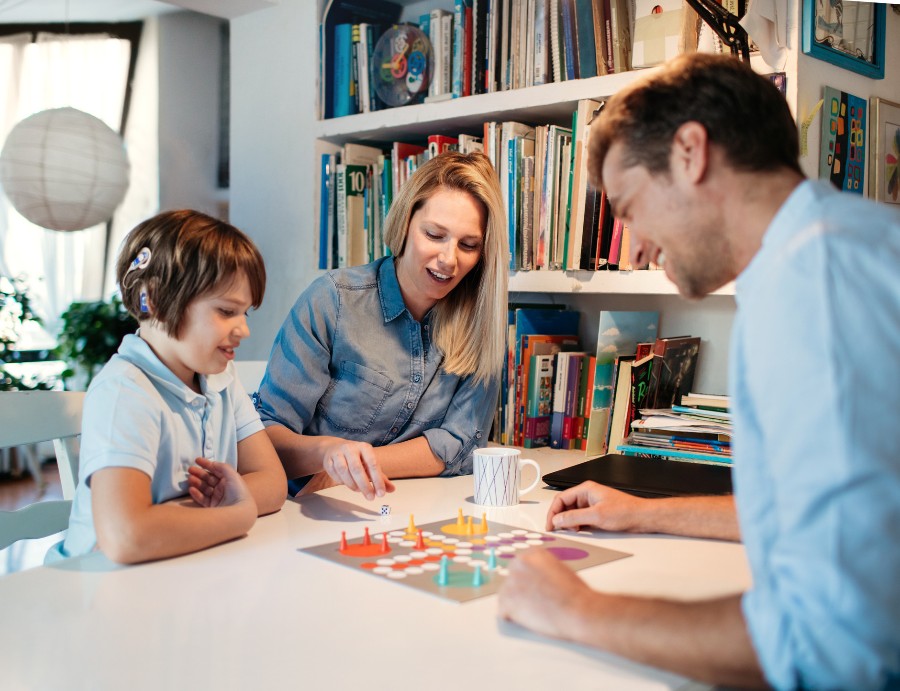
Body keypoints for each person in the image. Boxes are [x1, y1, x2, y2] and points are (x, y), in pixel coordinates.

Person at [497, 53, 900, 690]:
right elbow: (834, 518)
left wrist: (578, 609)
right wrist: (642, 512)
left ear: (690, 152)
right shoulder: (853, 242)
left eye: (627, 207)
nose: (630, 246)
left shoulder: (811, 292)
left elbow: (831, 642)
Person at [255, 151, 508, 500]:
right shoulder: (333, 301)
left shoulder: (482, 325)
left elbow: (459, 443)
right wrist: (328, 455)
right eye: (435, 235)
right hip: (306, 512)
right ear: (405, 223)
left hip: (412, 512)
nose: (449, 260)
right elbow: (266, 436)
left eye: (468, 245)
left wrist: (354, 469)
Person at [55, 210, 287, 564]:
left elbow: (273, 484)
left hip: (182, 568)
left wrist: (170, 518)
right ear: (159, 302)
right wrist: (237, 513)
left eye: (246, 313)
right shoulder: (125, 392)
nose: (244, 330)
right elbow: (126, 537)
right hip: (103, 589)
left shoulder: (223, 378)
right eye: (226, 311)